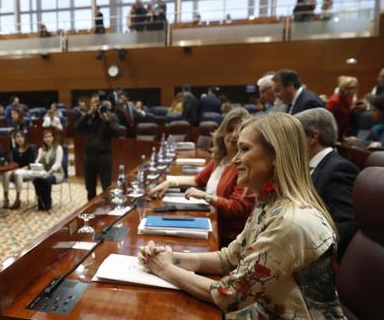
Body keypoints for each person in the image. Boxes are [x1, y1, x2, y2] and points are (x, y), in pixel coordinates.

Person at [139, 113, 344, 319]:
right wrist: (172, 258)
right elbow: (228, 258)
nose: (235, 159)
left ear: (275, 155)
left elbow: (230, 295)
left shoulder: (291, 222)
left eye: (244, 149)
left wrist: (165, 269)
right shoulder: (269, 202)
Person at [148, 108, 255, 246]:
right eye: (230, 129)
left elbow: (237, 208)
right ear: (222, 132)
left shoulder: (243, 165)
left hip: (228, 237)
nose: (234, 135)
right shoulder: (220, 158)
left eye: (239, 131)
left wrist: (205, 196)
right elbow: (197, 180)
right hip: (212, 221)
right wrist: (169, 182)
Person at [294, 108, 359, 261]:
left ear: (312, 137)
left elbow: (348, 224)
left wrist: (306, 246)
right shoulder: (314, 166)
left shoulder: (339, 169)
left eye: (295, 136)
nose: (290, 143)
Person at [75, 95, 120, 200]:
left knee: (106, 186)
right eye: (92, 103)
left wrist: (106, 121)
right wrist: (88, 114)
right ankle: (92, 211)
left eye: (97, 103)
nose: (95, 105)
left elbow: (117, 133)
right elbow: (77, 128)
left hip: (104, 156)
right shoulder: (88, 117)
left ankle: (107, 210)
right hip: (89, 156)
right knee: (90, 187)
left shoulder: (110, 116)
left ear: (102, 104)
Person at [3, 130, 37, 209]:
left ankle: (17, 199)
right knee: (6, 173)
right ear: (15, 139)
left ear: (25, 138)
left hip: (29, 171)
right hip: (17, 171)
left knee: (18, 173)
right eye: (17, 137)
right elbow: (14, 163)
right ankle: (6, 198)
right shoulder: (15, 150)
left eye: (21, 136)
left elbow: (31, 164)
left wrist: (19, 170)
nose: (19, 139)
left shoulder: (31, 148)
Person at [32, 130, 64, 211]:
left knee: (47, 179)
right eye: (46, 137)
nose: (48, 139)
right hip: (44, 173)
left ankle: (47, 203)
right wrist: (41, 157)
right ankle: (40, 202)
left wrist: (49, 173)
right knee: (36, 180)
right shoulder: (41, 149)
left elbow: (57, 164)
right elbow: (36, 162)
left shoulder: (58, 148)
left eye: (49, 137)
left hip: (56, 173)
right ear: (43, 139)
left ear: (53, 138)